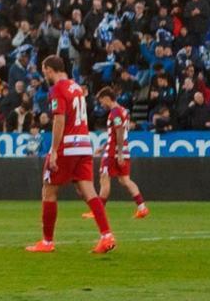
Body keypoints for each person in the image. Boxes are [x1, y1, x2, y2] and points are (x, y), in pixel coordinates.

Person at [26, 55, 115, 254]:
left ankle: (47, 242)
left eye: (45, 71)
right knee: (88, 191)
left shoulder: (57, 89)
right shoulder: (76, 87)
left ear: (50, 69)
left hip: (68, 145)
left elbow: (59, 120)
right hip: (84, 143)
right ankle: (106, 235)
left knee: (49, 190)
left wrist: (55, 151)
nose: (45, 75)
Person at [83, 88, 148, 220]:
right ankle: (142, 207)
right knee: (125, 180)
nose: (102, 105)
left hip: (114, 152)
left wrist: (117, 153)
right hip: (122, 149)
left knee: (104, 178)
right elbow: (115, 133)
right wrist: (103, 147)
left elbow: (119, 131)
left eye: (102, 102)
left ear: (107, 98)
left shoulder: (116, 112)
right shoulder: (123, 111)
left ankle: (98, 211)